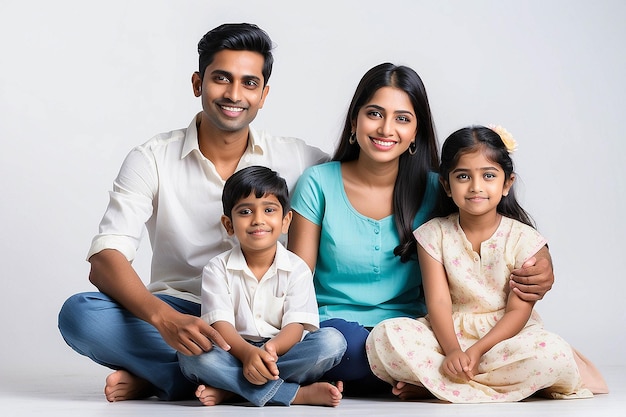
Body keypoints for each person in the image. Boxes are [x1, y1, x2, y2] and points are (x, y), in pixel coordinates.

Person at [57, 23, 329, 402]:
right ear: (197, 83)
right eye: (222, 79)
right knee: (80, 315)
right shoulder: (151, 158)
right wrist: (162, 318)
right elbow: (105, 258)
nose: (235, 94)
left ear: (264, 94)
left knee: (331, 341)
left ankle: (170, 378)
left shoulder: (300, 158)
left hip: (263, 320)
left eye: (249, 83)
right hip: (180, 309)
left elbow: (358, 183)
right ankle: (252, 384)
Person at [287, 64, 556, 396]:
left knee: (479, 351)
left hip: (413, 332)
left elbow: (488, 225)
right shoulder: (318, 182)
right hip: (335, 327)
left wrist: (542, 258)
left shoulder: (437, 188)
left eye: (402, 118)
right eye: (375, 113)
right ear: (355, 121)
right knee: (345, 347)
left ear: (416, 132)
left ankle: (422, 378)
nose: (386, 129)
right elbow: (294, 279)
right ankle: (421, 380)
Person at [365, 125, 599, 402]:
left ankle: (438, 386)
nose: (476, 187)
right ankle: (469, 382)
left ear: (507, 184)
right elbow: (438, 302)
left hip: (505, 340)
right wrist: (452, 351)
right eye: (463, 176)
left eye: (488, 176)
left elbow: (517, 312)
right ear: (446, 185)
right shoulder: (433, 235)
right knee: (385, 335)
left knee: (553, 353)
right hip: (446, 336)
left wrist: (476, 352)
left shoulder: (524, 239)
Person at [177, 166, 346, 407]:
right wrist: (247, 354)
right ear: (229, 225)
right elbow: (220, 325)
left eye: (269, 210)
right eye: (245, 211)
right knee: (189, 355)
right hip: (234, 352)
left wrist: (268, 351)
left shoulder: (297, 268)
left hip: (281, 353)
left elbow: (295, 327)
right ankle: (295, 395)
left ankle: (233, 391)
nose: (258, 220)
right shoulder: (217, 268)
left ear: (286, 220)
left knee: (332, 342)